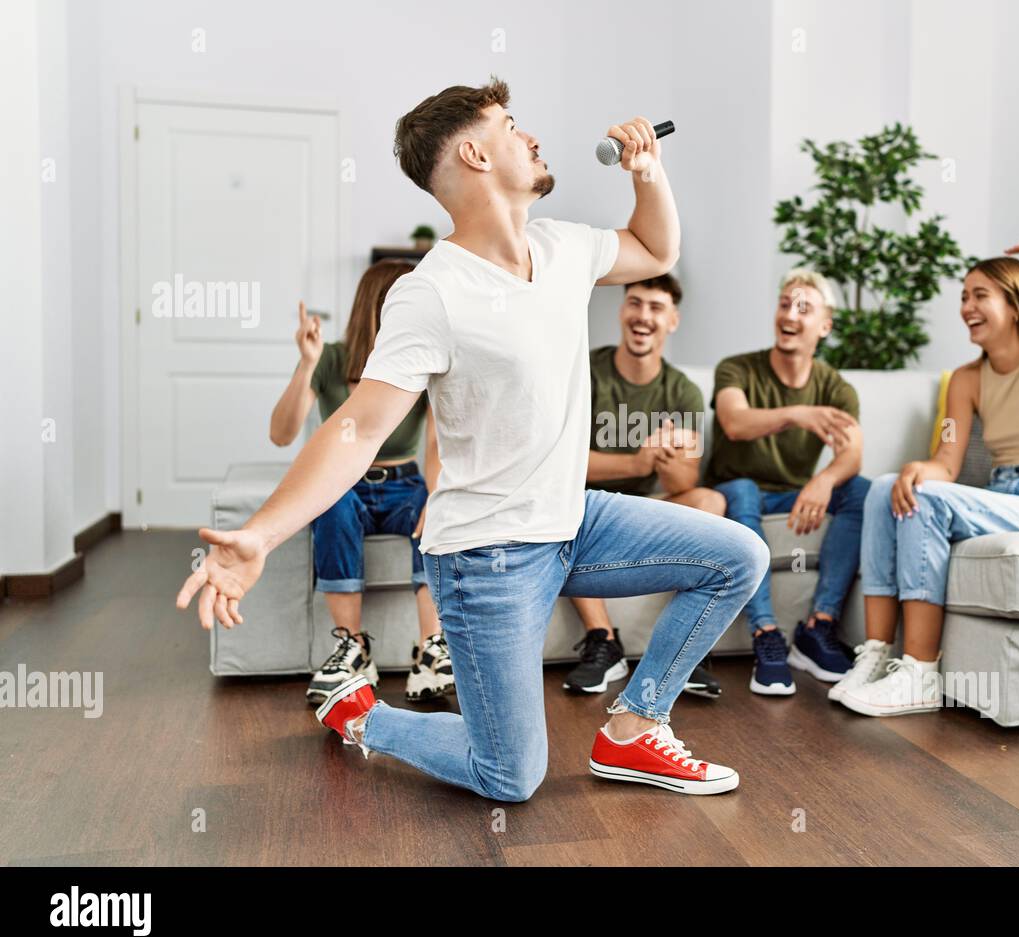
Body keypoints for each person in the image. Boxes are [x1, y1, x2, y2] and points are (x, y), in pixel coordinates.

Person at [177, 77, 769, 800]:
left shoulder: (562, 248)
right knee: (511, 777)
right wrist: (261, 535)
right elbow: (359, 425)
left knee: (738, 554)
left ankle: (635, 730)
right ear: (474, 153)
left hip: (573, 522)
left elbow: (653, 247)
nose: (532, 137)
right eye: (512, 125)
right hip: (487, 556)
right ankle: (363, 715)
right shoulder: (433, 292)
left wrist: (648, 172)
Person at [834, 241, 1019, 716]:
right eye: (964, 297)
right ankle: (875, 655)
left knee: (926, 501)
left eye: (980, 296)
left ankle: (921, 674)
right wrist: (917, 470)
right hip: (1002, 495)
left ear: (1015, 306)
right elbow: (947, 462)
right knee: (884, 489)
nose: (966, 308)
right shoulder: (967, 380)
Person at [268, 261, 453, 705]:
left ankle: (431, 649)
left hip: (404, 481)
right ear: (382, 306)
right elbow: (281, 433)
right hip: (343, 483)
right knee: (330, 507)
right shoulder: (331, 357)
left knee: (437, 517)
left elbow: (435, 445)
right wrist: (306, 365)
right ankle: (352, 649)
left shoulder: (421, 357)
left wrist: (438, 498)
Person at [707, 270, 870, 696]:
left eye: (804, 307)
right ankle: (765, 633)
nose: (790, 314)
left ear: (825, 325)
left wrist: (825, 481)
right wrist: (797, 413)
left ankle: (819, 627)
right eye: (785, 304)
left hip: (794, 492)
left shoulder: (835, 386)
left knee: (861, 490)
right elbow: (734, 422)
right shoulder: (737, 368)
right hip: (736, 490)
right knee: (742, 489)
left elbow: (852, 453)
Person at [564, 273, 724, 699]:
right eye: (635, 303)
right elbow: (561, 462)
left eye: (656, 308)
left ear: (672, 320)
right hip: (589, 504)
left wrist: (667, 460)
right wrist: (636, 460)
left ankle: (681, 649)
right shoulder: (586, 371)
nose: (643, 316)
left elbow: (687, 481)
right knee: (558, 501)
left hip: (650, 507)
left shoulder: (682, 391)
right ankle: (604, 641)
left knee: (710, 499)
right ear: (622, 312)